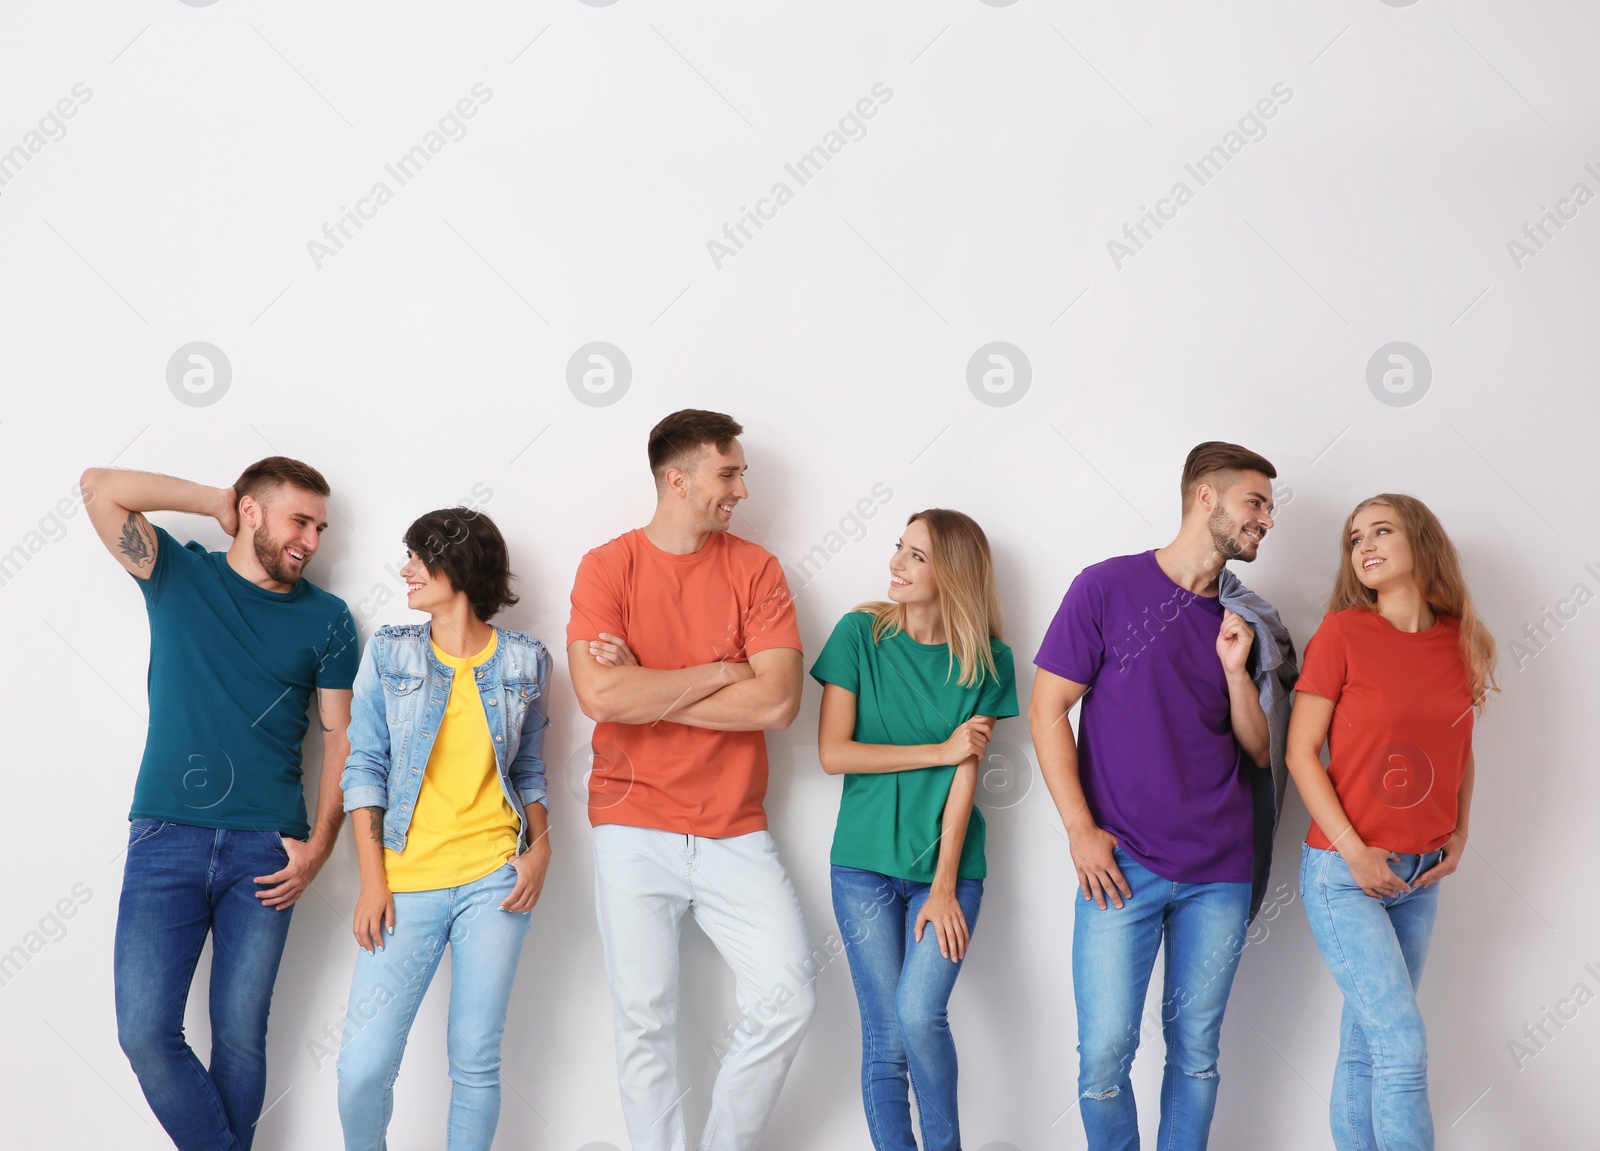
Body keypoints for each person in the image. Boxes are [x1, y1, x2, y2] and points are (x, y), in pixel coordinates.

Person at [81, 457, 358, 1151]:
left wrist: (320, 847)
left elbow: (342, 740)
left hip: (266, 850)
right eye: (300, 520)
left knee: (238, 1037)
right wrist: (215, 500)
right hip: (165, 837)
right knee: (144, 1032)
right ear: (254, 512)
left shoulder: (329, 620)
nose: (312, 540)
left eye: (321, 527)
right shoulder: (178, 575)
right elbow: (97, 486)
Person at [1028, 441, 1287, 1151]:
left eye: (1269, 507)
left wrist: (1238, 669)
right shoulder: (1105, 587)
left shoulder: (1247, 619)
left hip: (1219, 870)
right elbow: (1047, 708)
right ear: (1206, 497)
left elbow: (1262, 750)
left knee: (1196, 1051)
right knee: (1105, 1057)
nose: (1266, 519)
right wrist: (1080, 828)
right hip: (1120, 863)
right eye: (1255, 502)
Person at [567, 409, 815, 1151]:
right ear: (678, 479)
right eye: (729, 472)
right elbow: (601, 698)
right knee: (645, 1018)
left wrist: (649, 681)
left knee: (788, 998)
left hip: (734, 827)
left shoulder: (757, 569)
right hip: (630, 822)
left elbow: (777, 701)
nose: (742, 487)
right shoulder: (607, 566)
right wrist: (719, 671)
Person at [335, 508, 552, 1150]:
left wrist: (541, 854)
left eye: (419, 557)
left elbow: (532, 771)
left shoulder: (526, 661)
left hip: (496, 881)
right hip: (406, 881)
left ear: (457, 565)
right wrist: (374, 883)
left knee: (475, 1063)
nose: (406, 570)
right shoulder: (392, 651)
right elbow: (364, 766)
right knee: (361, 1069)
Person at [1288, 494, 1496, 1151]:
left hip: (1422, 874)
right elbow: (1300, 752)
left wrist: (1459, 830)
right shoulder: (1342, 634)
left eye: (1383, 530)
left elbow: (1460, 750)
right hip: (1344, 873)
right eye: (1355, 537)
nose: (1366, 544)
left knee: (1366, 1047)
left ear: (1421, 545)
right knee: (1402, 1045)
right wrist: (1353, 851)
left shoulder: (1458, 638)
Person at [812, 509, 1018, 1151]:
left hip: (947, 872)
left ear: (952, 573)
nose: (897, 563)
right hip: (862, 865)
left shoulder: (989, 662)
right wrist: (939, 749)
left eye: (917, 555)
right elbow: (833, 753)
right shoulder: (858, 635)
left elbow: (967, 781)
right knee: (886, 1037)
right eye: (898, 547)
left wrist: (944, 886)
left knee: (920, 1013)